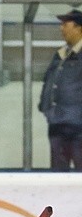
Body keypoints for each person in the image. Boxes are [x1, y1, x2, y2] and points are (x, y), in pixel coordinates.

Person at [38, 9, 82, 170]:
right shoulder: (61, 54)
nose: (61, 28)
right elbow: (49, 82)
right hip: (58, 123)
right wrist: (45, 107)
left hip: (78, 126)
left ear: (79, 28)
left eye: (65, 24)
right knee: (57, 170)